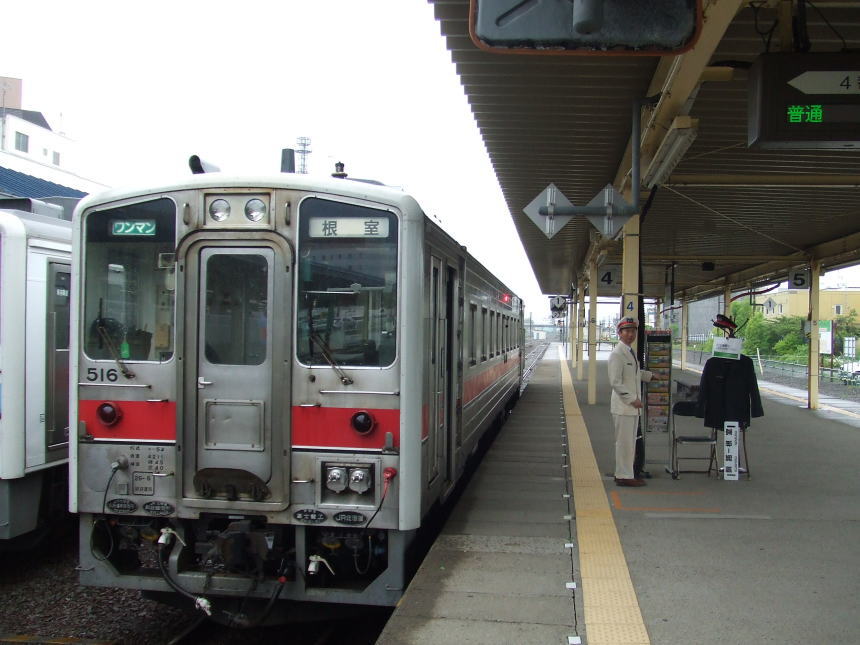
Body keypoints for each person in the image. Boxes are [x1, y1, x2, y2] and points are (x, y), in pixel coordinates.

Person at [608, 317, 652, 487]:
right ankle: (624, 475)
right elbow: (615, 382)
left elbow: (633, 373)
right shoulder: (617, 354)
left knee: (629, 442)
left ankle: (626, 473)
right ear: (619, 333)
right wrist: (632, 399)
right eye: (626, 331)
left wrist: (649, 376)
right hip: (624, 407)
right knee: (624, 443)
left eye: (633, 331)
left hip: (630, 408)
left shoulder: (629, 351)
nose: (630, 334)